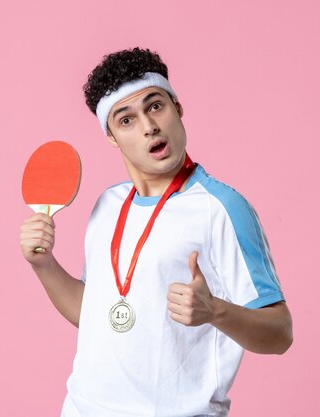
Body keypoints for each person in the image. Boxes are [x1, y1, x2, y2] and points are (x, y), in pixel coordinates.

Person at [19, 48, 293, 417]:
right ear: (112, 138)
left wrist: (216, 312)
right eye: (126, 120)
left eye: (154, 106)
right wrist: (44, 265)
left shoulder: (221, 208)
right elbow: (96, 315)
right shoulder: (107, 205)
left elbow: (281, 334)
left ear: (177, 109)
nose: (149, 126)